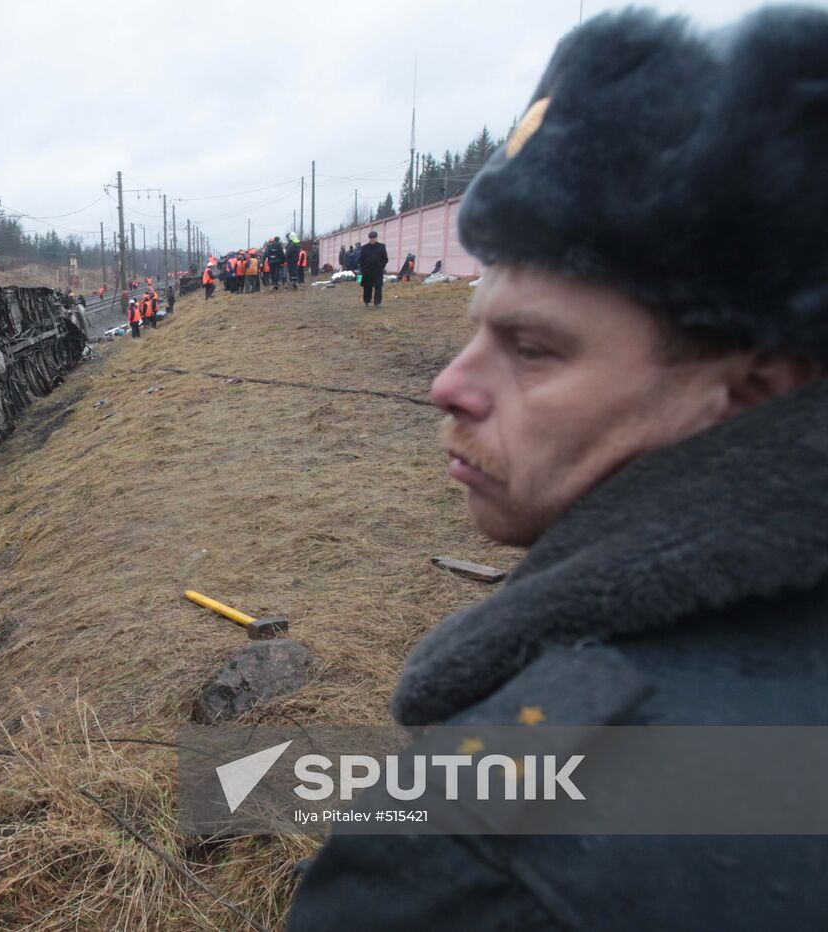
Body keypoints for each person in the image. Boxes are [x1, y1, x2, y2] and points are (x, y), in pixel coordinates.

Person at [289, 8, 828, 930]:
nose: (447, 389)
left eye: (531, 347)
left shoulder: (482, 853)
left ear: (747, 390)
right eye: (476, 332)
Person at [357, 230, 388, 307]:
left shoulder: (382, 247)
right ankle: (367, 301)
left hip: (378, 271)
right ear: (369, 238)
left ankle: (377, 302)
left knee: (378, 287)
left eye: (373, 237)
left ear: (376, 238)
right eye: (371, 237)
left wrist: (381, 267)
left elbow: (385, 259)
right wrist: (363, 268)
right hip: (367, 271)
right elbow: (361, 260)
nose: (372, 239)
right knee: (367, 287)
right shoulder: (364, 248)